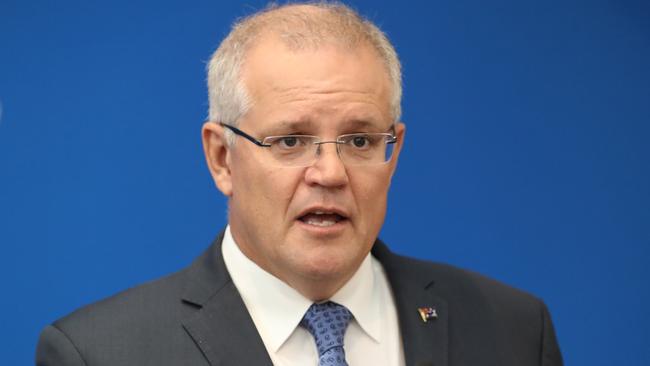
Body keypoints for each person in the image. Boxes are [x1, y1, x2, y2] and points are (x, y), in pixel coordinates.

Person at [36, 3, 563, 366]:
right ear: (222, 158)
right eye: (290, 141)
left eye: (358, 141)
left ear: (393, 151)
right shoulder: (100, 353)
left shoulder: (513, 329)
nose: (330, 173)